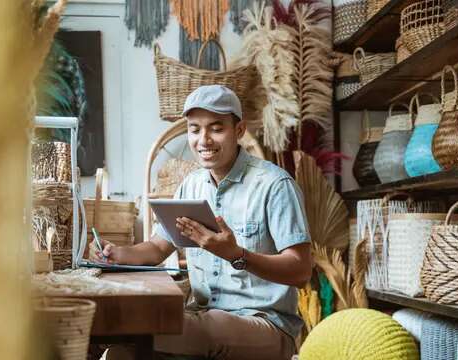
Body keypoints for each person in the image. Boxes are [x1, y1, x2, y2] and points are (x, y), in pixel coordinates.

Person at [90, 85, 312, 360]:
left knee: (177, 328)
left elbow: (301, 271)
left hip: (266, 325)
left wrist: (236, 255)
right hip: (203, 317)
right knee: (119, 355)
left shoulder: (275, 185)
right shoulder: (191, 186)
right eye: (195, 129)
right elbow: (158, 248)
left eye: (216, 128)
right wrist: (116, 253)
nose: (203, 139)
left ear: (239, 130)